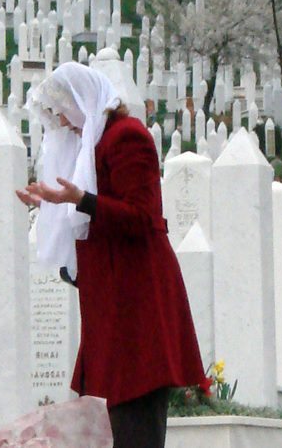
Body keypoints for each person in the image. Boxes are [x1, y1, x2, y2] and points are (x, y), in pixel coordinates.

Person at [16, 62, 205, 447]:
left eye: (64, 111)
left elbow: (142, 216)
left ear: (83, 101)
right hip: (116, 307)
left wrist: (81, 200)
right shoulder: (97, 145)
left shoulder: (127, 137)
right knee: (119, 425)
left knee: (137, 424)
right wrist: (57, 205)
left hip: (139, 307)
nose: (65, 124)